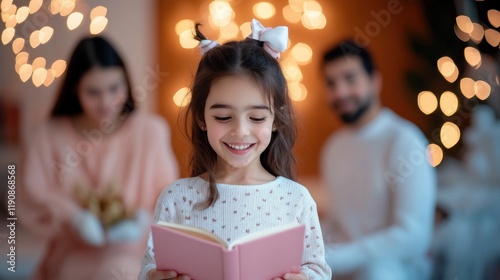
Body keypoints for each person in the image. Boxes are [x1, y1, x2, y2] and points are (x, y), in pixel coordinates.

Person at [139, 19, 332, 280]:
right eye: (222, 117)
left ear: (276, 120)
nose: (240, 131)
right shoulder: (176, 197)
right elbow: (149, 268)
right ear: (201, 118)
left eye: (256, 118)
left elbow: (318, 269)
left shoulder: (296, 199)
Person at [18, 36, 179, 280]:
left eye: (114, 89)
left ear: (127, 83)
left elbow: (169, 200)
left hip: (137, 255)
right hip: (70, 257)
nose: (106, 102)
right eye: (93, 92)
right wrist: (72, 218)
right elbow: (30, 199)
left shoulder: (150, 132)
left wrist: (142, 220)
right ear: (75, 89)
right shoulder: (47, 136)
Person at [319, 40, 436, 280]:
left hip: (394, 269)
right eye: (331, 83)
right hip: (340, 266)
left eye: (350, 79)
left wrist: (335, 259)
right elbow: (338, 220)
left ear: (375, 81)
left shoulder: (405, 141)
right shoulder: (332, 147)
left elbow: (412, 236)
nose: (340, 92)